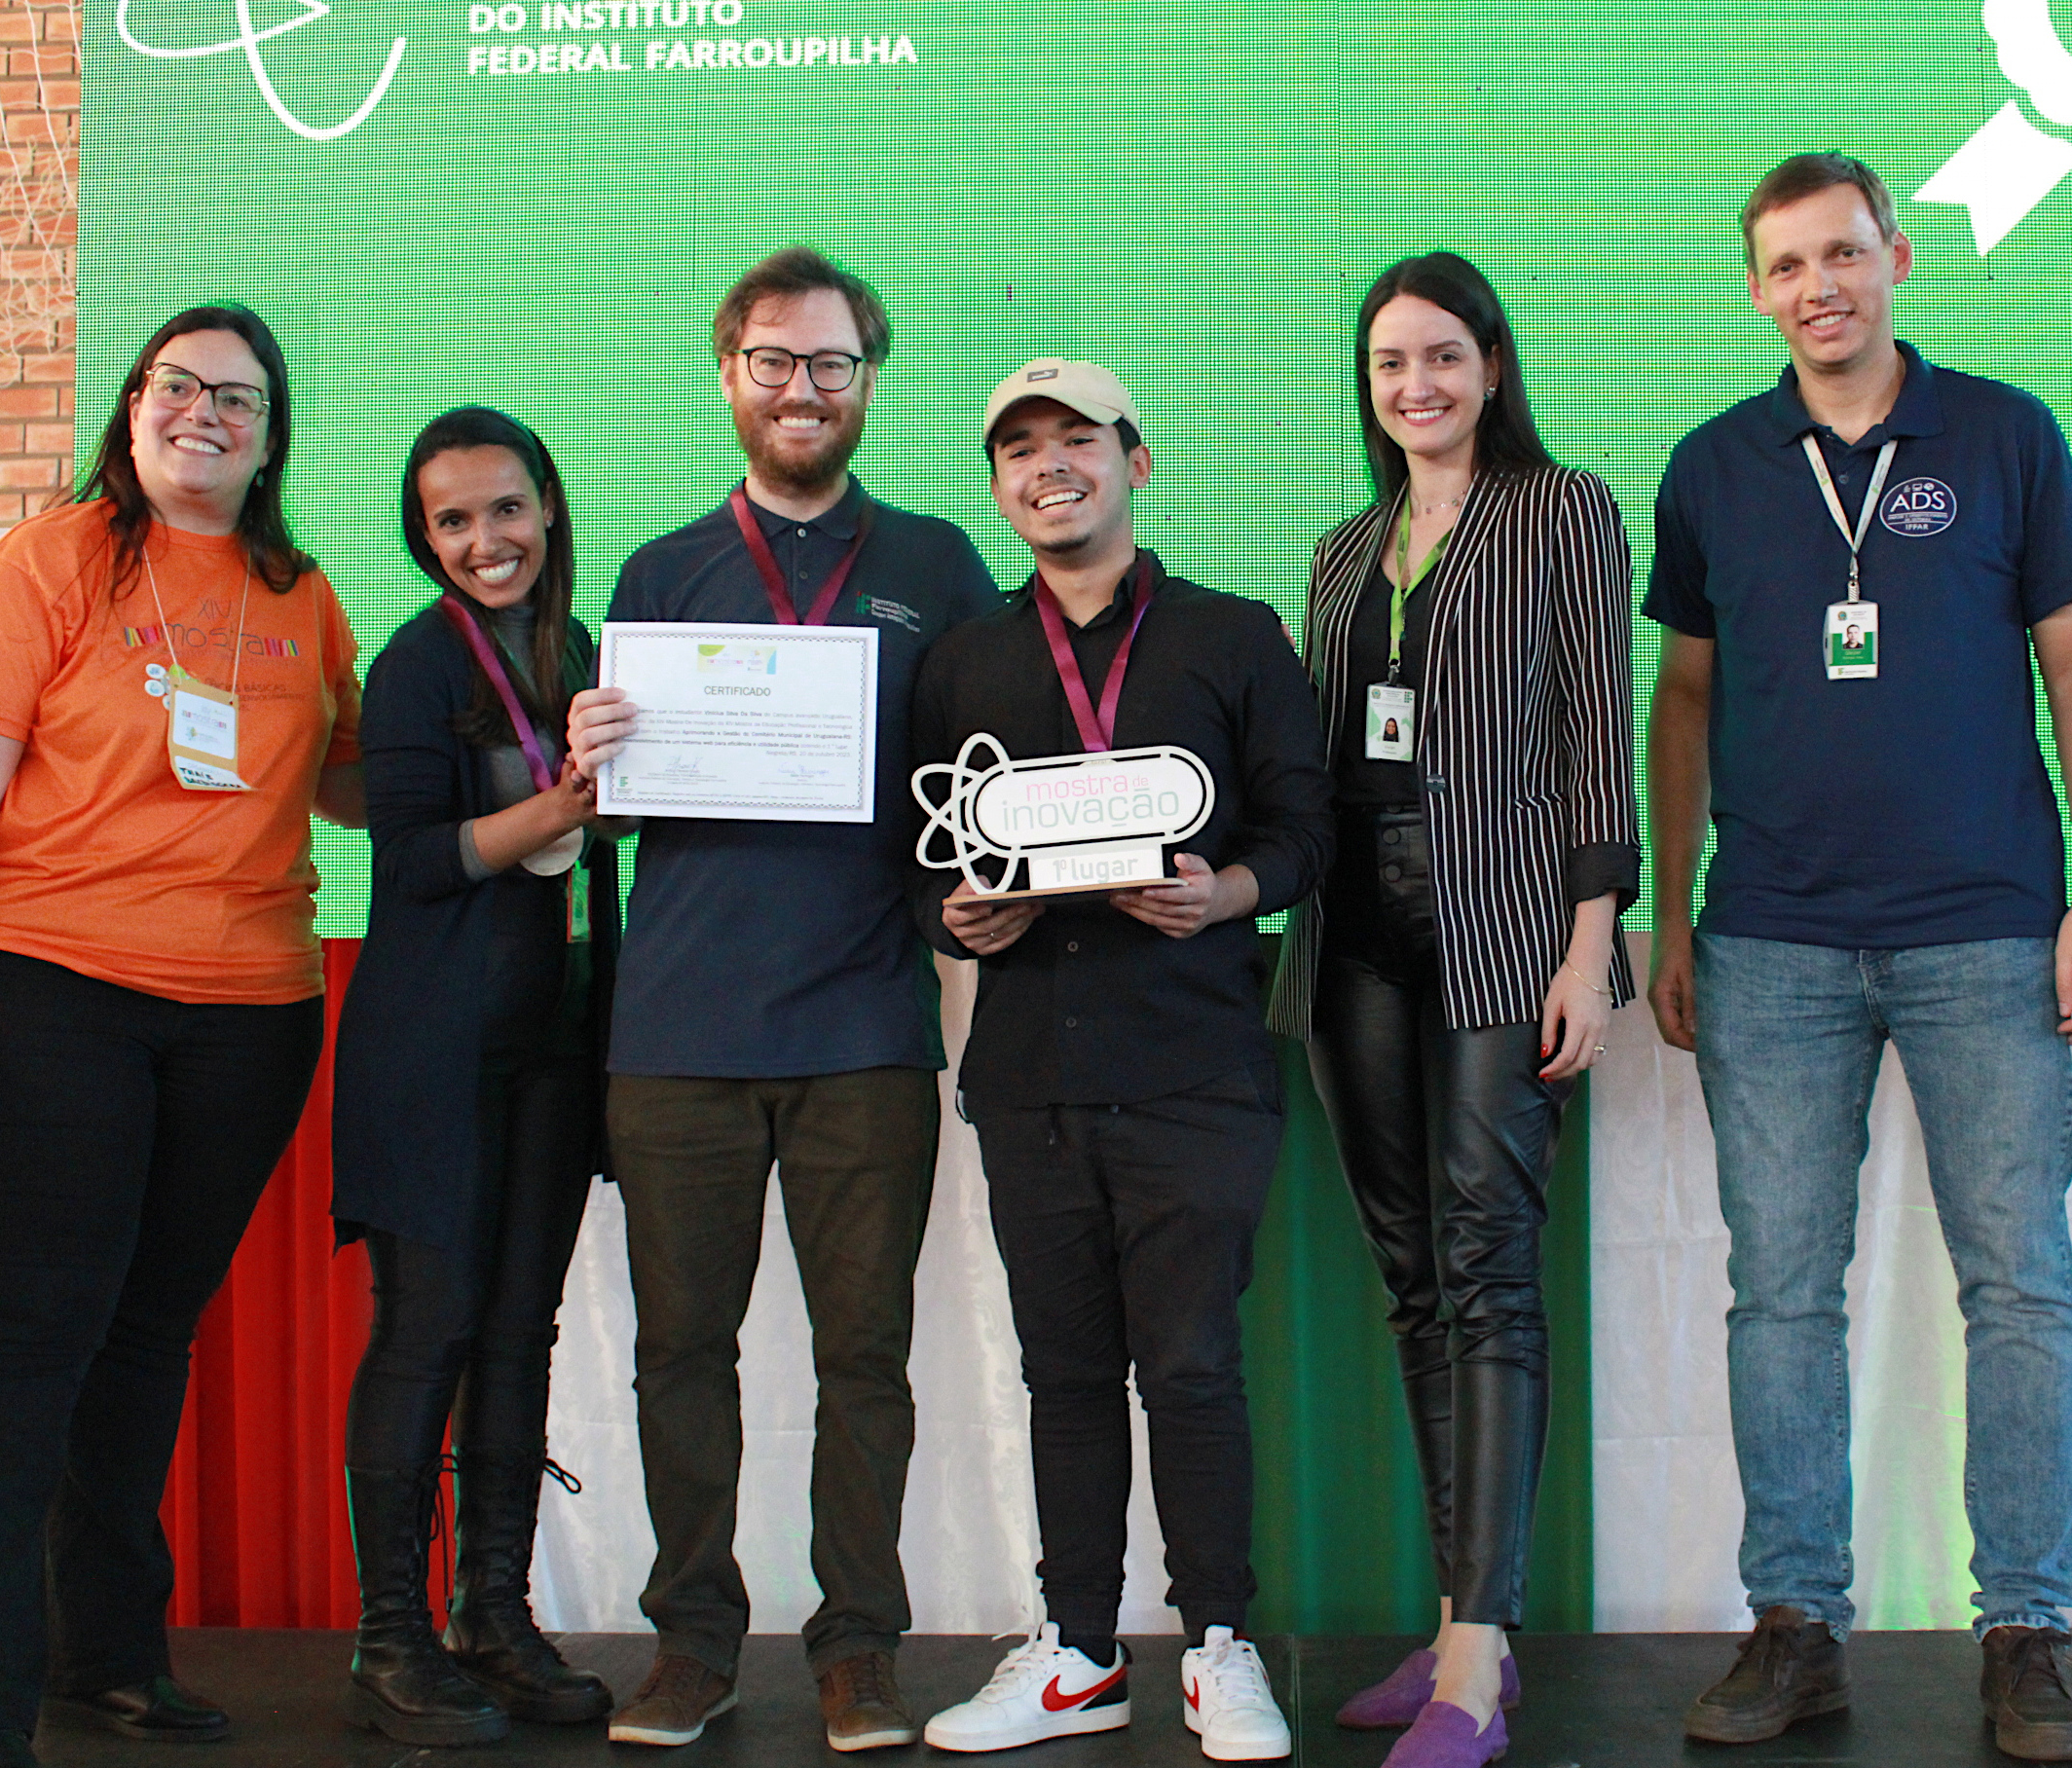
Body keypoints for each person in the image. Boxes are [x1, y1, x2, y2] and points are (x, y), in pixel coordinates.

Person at [1644, 154, 2072, 1763]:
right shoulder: (1712, 467)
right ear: (1756, 289)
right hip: (1771, 942)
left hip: (1988, 927)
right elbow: (1685, 699)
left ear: (1898, 257)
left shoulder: (2006, 434)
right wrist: (1674, 907)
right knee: (1781, 1296)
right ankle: (1796, 1622)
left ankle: (2027, 1629)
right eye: (1787, 265)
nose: (1820, 287)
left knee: (2021, 1283)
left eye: (1844, 253)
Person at [563, 246, 999, 1752]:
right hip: (677, 1038)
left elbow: (976, 787)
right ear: (729, 376)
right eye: (773, 360)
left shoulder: (938, 566)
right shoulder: (657, 573)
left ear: (868, 380)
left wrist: (979, 891)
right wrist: (596, 761)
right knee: (682, 1357)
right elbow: (616, 811)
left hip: (864, 1031)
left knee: (863, 1360)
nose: (801, 388)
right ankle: (691, 1645)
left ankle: (858, 1649)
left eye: (831, 363)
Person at [0, 305, 364, 1768]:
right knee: (17, 1340)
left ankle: (105, 1661)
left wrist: (532, 743)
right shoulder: (44, 564)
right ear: (131, 409)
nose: (205, 414)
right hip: (44, 990)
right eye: (179, 386)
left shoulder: (300, 595)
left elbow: (350, 780)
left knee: (141, 1340)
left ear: (271, 436)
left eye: (239, 397)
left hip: (250, 1015)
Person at [911, 359, 1331, 1762]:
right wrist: (956, 918)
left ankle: (1219, 1645)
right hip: (1029, 1075)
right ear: (996, 485)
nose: (1051, 467)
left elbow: (1304, 829)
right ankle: (1079, 1651)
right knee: (1067, 1375)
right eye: (1019, 449)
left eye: (1078, 440)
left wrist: (1226, 892)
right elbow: (918, 862)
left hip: (1194, 1069)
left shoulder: (1233, 637)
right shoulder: (963, 661)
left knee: (1194, 1367)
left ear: (1134, 463)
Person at [1262, 253, 1637, 1768]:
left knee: (1489, 1268)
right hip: (1353, 933)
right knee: (1415, 1278)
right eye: (1388, 364)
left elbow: (1596, 731)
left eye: (1440, 356)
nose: (1414, 386)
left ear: (1491, 363)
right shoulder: (1342, 552)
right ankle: (1456, 1617)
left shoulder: (1562, 510)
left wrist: (1590, 943)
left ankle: (1479, 1658)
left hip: (1507, 927)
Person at [329, 408, 622, 1746]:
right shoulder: (413, 664)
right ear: (425, 538)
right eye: (452, 520)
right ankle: (390, 1637)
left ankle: (492, 1618)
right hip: (431, 1048)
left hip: (559, 1039)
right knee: (427, 1329)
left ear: (547, 504)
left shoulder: (584, 655)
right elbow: (408, 862)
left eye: (506, 508)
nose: (485, 540)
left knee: (519, 1330)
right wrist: (554, 812)